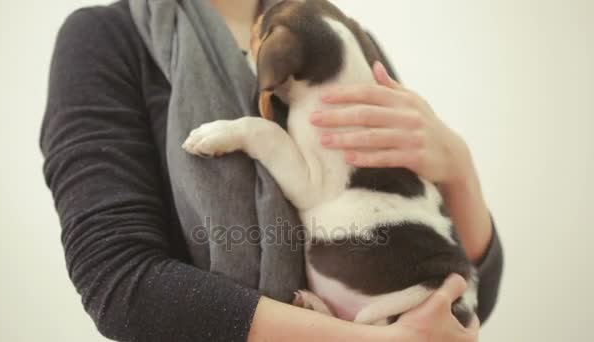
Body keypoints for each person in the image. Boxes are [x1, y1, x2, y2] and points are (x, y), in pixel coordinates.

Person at [40, 0, 503, 341]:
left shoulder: (342, 37)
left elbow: (461, 289)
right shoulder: (106, 38)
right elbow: (120, 284)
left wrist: (458, 167)